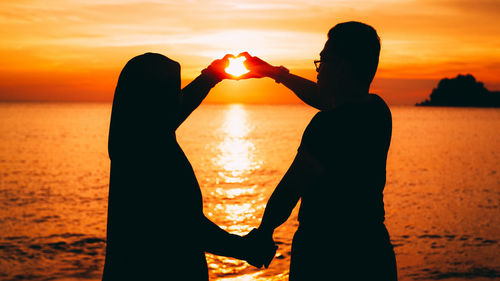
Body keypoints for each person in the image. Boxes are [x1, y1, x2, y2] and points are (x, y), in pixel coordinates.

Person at [240, 21, 398, 280]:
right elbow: (326, 98)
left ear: (343, 69)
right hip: (373, 252)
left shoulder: (327, 127)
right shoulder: (378, 111)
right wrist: (275, 73)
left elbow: (290, 189)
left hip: (325, 255)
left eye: (323, 61)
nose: (318, 70)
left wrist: (264, 232)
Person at [103, 53, 275, 280]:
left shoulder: (138, 136)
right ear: (153, 99)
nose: (178, 97)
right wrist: (243, 248)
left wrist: (212, 75)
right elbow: (182, 226)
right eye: (172, 91)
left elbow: (180, 107)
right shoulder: (146, 153)